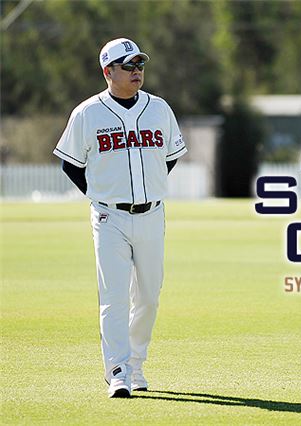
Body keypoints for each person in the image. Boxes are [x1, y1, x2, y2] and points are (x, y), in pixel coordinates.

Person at [54, 38, 187, 398]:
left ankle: (136, 364)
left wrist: (147, 187)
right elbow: (70, 164)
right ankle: (117, 371)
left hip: (152, 214)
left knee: (148, 296)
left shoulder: (159, 108)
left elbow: (170, 156)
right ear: (108, 72)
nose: (136, 71)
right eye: (128, 66)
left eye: (139, 64)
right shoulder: (87, 113)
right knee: (113, 298)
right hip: (109, 217)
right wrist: (103, 193)